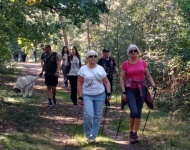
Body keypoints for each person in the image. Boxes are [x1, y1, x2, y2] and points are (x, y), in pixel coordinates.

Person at [120, 44, 157, 143]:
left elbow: (148, 76)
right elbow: (121, 78)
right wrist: (123, 91)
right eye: (131, 51)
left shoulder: (143, 63)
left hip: (141, 89)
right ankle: (131, 132)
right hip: (130, 89)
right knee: (134, 111)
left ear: (138, 51)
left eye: (135, 50)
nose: (133, 52)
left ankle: (135, 134)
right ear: (128, 53)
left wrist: (154, 86)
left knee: (139, 112)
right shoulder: (125, 64)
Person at [77, 50, 111, 143]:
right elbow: (79, 83)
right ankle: (88, 135)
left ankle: (93, 136)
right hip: (87, 95)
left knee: (97, 116)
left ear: (97, 57)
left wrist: (108, 93)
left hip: (100, 94)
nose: (93, 58)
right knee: (89, 114)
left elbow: (107, 82)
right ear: (87, 58)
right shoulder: (82, 69)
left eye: (95, 56)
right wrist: (80, 97)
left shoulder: (100, 68)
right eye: (91, 56)